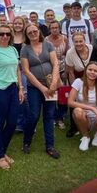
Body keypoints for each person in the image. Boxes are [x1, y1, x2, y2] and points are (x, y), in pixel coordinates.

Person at [0, 25, 24, 169]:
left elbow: (17, 69)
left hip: (13, 88)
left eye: (8, 34)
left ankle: (2, 150)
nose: (5, 36)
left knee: (13, 122)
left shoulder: (13, 49)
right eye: (2, 34)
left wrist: (20, 88)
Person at [20, 24, 61, 159]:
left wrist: (54, 83)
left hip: (50, 86)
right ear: (26, 35)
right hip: (35, 88)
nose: (33, 33)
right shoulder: (25, 49)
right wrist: (42, 88)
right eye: (29, 32)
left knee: (49, 115)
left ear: (39, 32)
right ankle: (27, 141)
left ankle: (50, 146)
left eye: (35, 31)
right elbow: (26, 70)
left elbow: (55, 63)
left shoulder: (48, 45)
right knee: (34, 115)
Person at [68, 62, 97, 151]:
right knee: (77, 111)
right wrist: (92, 108)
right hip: (84, 116)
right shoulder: (78, 82)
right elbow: (70, 102)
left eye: (95, 71)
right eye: (90, 69)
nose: (92, 72)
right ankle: (86, 137)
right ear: (85, 71)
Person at [65, 32, 97, 137]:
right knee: (75, 101)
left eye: (80, 41)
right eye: (76, 42)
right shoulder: (70, 53)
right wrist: (74, 88)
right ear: (73, 42)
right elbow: (71, 72)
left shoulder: (92, 49)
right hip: (78, 78)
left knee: (95, 98)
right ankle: (74, 127)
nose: (78, 44)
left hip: (94, 76)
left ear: (84, 40)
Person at [45, 21, 69, 129]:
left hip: (63, 69)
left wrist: (66, 71)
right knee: (52, 95)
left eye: (56, 27)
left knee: (63, 94)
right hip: (51, 70)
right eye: (52, 28)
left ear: (59, 28)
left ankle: (61, 117)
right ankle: (52, 117)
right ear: (49, 29)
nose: (54, 29)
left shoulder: (64, 38)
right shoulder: (46, 40)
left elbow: (68, 54)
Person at [12, 16, 29, 132]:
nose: (18, 25)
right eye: (16, 23)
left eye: (20, 23)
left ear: (23, 25)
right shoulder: (9, 36)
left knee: (25, 95)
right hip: (11, 70)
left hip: (24, 70)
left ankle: (27, 122)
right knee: (14, 96)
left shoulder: (26, 37)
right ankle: (18, 123)